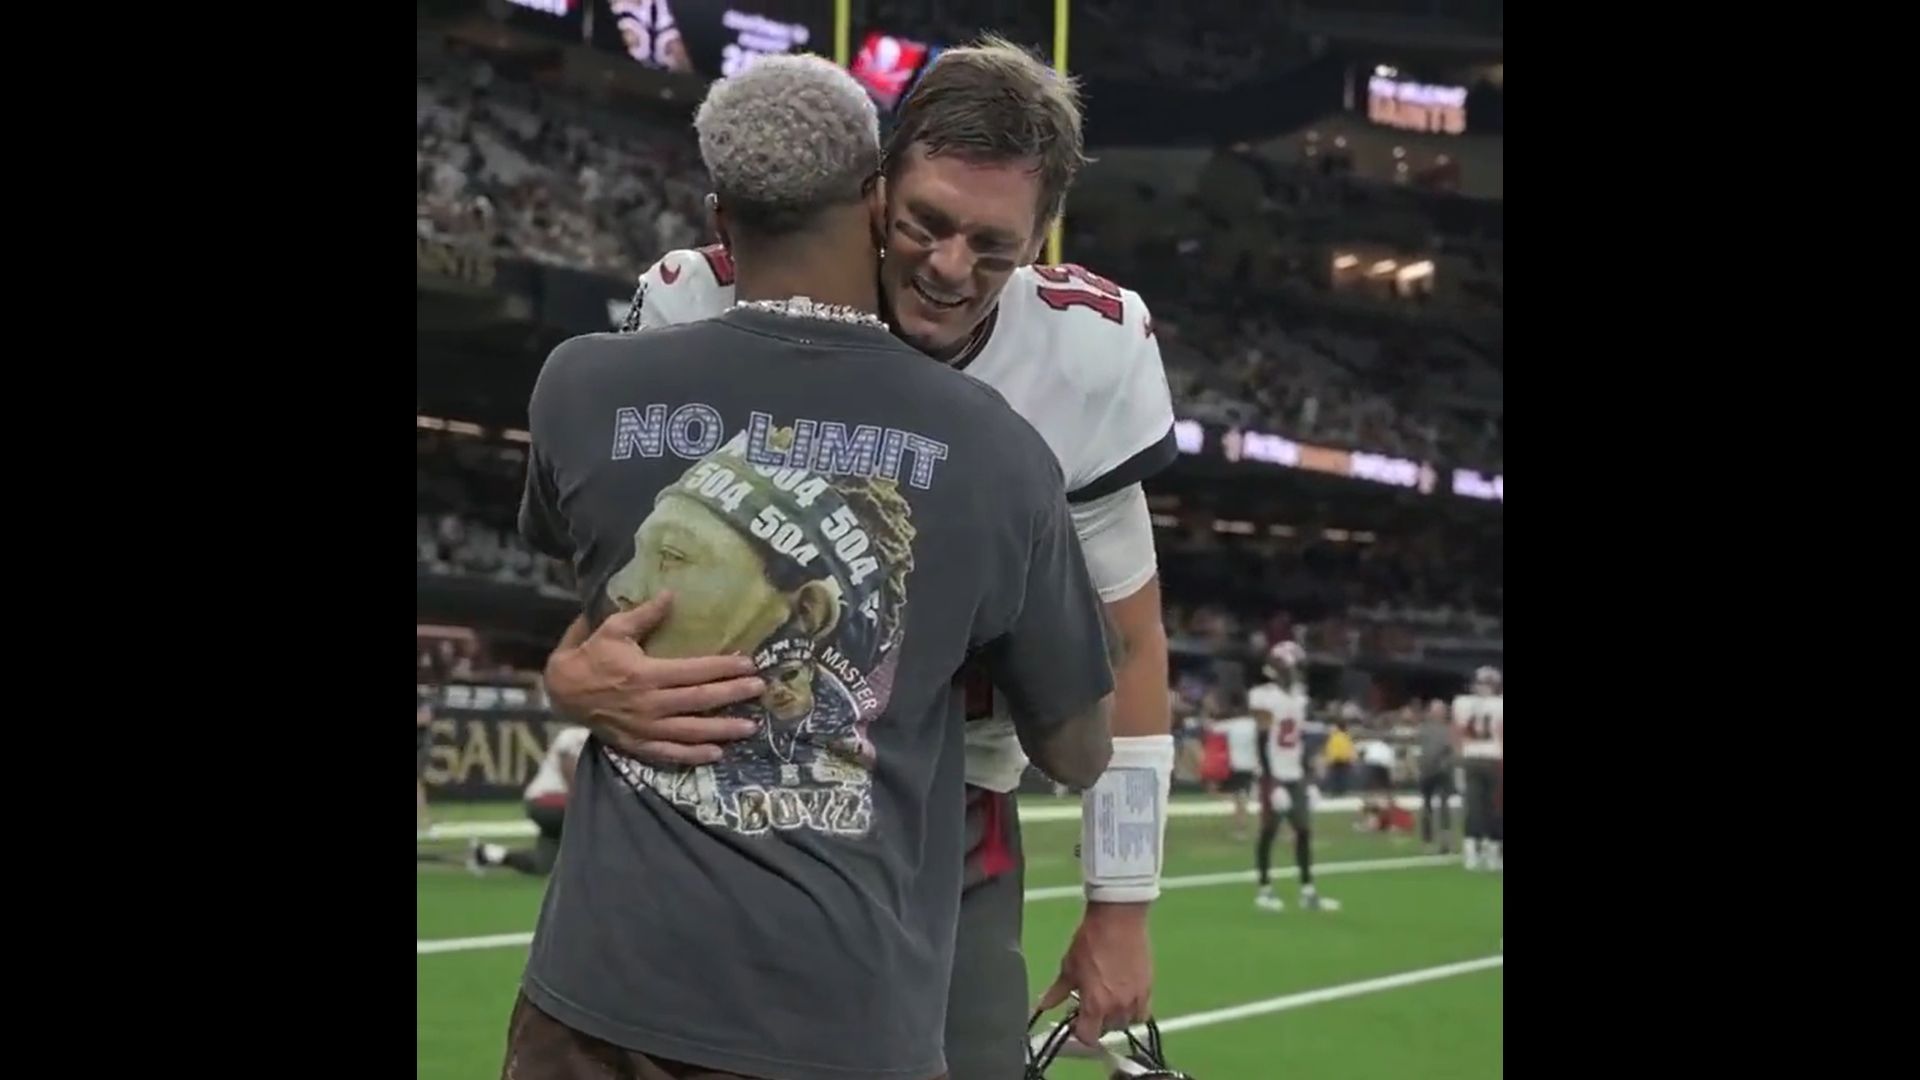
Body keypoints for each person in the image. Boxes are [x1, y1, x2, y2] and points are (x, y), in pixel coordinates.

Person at [547, 35, 1177, 1069]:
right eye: (926, 223)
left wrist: (1121, 904)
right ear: (875, 186)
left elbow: (1132, 643)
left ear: (1042, 236)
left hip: (952, 813)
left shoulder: (1083, 352)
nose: (947, 266)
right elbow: (616, 584)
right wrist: (571, 671)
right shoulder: (711, 299)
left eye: (993, 247)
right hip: (718, 787)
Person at [1249, 643, 1339, 912]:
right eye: (1294, 667)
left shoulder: (1299, 699)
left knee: (1304, 830)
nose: (1298, 673)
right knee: (1269, 831)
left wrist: (1308, 778)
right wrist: (1271, 781)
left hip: (1295, 773)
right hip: (1273, 774)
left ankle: (1308, 890)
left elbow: (1298, 742)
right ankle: (1264, 889)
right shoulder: (1262, 696)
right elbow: (1262, 739)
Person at [467, 724, 588, 876]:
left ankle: (488, 853)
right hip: (550, 800)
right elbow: (568, 764)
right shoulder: (579, 733)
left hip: (547, 804)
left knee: (543, 865)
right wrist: (582, 800)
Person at [1453, 666, 1504, 871]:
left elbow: (1457, 732)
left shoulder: (1462, 703)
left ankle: (1472, 855)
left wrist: (1458, 759)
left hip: (1470, 758)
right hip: (1494, 759)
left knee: (1474, 807)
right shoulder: (1500, 704)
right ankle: (1493, 856)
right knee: (1496, 808)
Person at [1416, 699, 1455, 854]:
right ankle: (1428, 842)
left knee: (1444, 805)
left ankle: (1445, 840)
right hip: (1427, 772)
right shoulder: (1424, 729)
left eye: (1441, 710)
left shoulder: (1449, 729)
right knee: (1427, 807)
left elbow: (1452, 750)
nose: (1439, 713)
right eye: (1436, 710)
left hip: (1443, 771)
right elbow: (1419, 750)